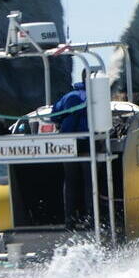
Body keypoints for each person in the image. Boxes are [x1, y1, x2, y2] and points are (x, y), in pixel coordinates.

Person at [49, 80, 90, 229]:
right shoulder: (95, 96)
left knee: (71, 180)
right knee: (90, 182)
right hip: (88, 143)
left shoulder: (68, 97)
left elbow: (54, 116)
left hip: (68, 143)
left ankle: (70, 220)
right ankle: (91, 218)